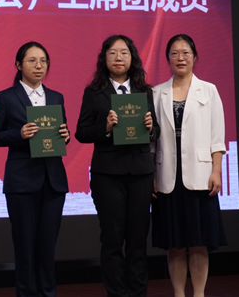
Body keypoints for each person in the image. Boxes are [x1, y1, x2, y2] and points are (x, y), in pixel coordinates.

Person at [75, 35, 159, 297]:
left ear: (132, 58)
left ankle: (137, 292)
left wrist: (150, 128)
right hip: (108, 175)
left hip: (140, 174)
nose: (118, 58)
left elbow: (156, 131)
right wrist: (106, 128)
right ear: (104, 58)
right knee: (112, 239)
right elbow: (81, 132)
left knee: (138, 240)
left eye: (124, 53)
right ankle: (116, 293)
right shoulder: (94, 92)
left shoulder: (144, 91)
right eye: (112, 53)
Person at [0, 42, 70, 297]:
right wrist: (18, 134)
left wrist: (65, 136)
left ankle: (48, 293)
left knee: (47, 247)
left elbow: (61, 132)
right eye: (32, 61)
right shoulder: (6, 97)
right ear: (18, 65)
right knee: (25, 247)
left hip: (53, 181)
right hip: (21, 182)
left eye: (43, 61)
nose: (39, 66)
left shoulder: (56, 97)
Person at [151, 34, 227, 297]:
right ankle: (179, 293)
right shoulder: (156, 92)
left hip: (200, 175)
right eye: (174, 53)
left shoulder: (209, 90)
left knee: (198, 242)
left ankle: (199, 294)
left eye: (185, 53)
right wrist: (152, 174)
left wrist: (216, 170)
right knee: (175, 243)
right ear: (168, 59)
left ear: (195, 57)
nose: (180, 58)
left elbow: (217, 137)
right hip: (167, 176)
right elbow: (152, 140)